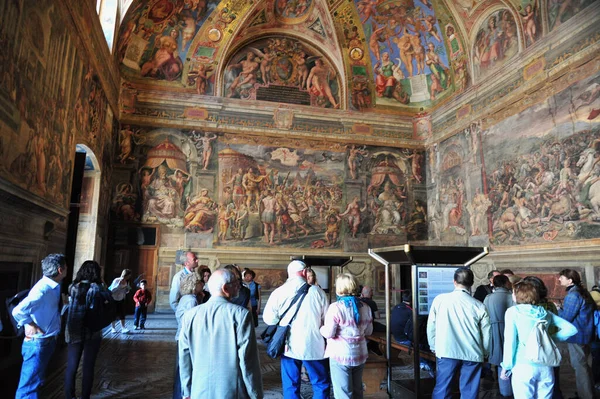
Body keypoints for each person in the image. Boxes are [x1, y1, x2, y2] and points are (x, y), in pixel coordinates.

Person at [179, 269, 263, 399]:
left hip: (199, 389)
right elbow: (248, 360)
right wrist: (255, 394)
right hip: (232, 391)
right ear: (225, 288)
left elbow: (184, 357)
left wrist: (187, 390)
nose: (239, 287)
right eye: (235, 284)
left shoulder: (190, 316)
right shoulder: (240, 315)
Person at [263, 260, 330, 398]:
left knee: (291, 384)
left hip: (289, 345)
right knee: (320, 383)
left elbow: (269, 319)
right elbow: (327, 319)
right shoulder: (318, 292)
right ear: (305, 272)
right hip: (314, 345)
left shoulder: (278, 292)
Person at [500, 281, 577, 399]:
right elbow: (570, 329)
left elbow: (510, 342)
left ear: (517, 296)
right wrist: (548, 339)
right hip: (545, 365)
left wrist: (506, 366)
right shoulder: (545, 312)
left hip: (523, 366)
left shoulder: (513, 312)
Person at [427, 267, 491, 399]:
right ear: (472, 283)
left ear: (454, 281)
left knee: (443, 388)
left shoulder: (440, 300)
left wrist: (433, 346)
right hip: (472, 353)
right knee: (469, 391)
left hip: (446, 350)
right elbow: (487, 334)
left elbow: (431, 326)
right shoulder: (479, 305)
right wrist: (485, 353)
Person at [12, 254, 67, 399]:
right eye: (66, 266)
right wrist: (30, 323)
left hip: (47, 340)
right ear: (61, 270)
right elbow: (17, 311)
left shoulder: (53, 285)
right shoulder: (42, 290)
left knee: (36, 382)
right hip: (37, 344)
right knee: (28, 388)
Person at [320, 273, 373, 399]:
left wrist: (321, 328)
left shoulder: (336, 308)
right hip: (359, 353)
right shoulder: (365, 307)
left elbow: (329, 333)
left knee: (343, 393)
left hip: (340, 354)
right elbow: (369, 331)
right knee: (357, 390)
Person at [64, 260, 105, 399]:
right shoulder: (97, 288)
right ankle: (85, 396)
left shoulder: (73, 287)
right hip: (92, 331)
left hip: (74, 330)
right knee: (88, 366)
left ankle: (69, 396)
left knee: (72, 366)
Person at [523, 275, 566, 399]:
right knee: (552, 386)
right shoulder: (550, 306)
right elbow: (556, 329)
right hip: (550, 349)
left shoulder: (526, 310)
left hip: (531, 353)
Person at [557, 269, 595, 399]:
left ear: (570, 280)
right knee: (585, 366)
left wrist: (558, 310)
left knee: (580, 367)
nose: (559, 279)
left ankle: (586, 396)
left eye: (561, 277)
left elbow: (566, 318)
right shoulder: (581, 292)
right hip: (585, 333)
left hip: (577, 335)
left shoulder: (573, 295)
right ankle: (588, 393)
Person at [173, 273, 204, 399]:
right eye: (200, 283)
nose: (202, 285)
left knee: (182, 368)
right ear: (194, 285)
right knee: (186, 369)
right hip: (187, 337)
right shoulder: (191, 300)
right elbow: (193, 322)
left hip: (180, 335)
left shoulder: (185, 298)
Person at [483, 274, 514, 397]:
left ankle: (504, 390)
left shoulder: (488, 297)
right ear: (506, 283)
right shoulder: (511, 296)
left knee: (500, 360)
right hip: (509, 329)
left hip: (494, 330)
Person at [109, 268, 132, 334]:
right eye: (129, 275)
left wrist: (127, 290)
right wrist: (118, 285)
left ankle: (123, 328)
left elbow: (127, 291)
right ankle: (113, 328)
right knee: (113, 314)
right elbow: (112, 290)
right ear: (126, 275)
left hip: (121, 299)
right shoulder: (116, 280)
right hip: (114, 299)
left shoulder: (127, 281)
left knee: (122, 313)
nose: (129, 277)